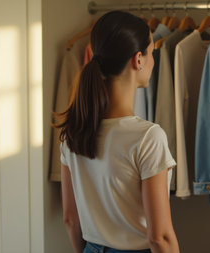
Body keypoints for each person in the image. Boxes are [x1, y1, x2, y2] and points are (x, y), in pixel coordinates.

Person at [53, 11, 180, 253]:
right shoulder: (148, 137)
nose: (153, 61)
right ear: (138, 60)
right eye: (152, 53)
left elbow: (70, 218)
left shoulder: (73, 133)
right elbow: (160, 238)